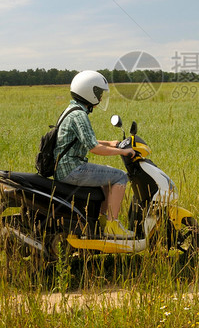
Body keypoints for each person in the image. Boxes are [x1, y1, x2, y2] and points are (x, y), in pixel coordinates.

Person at [53, 70, 136, 238]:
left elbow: (88, 141)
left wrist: (110, 143)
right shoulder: (79, 115)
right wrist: (123, 151)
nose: (100, 97)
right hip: (72, 169)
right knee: (119, 176)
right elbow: (94, 148)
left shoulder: (73, 110)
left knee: (107, 175)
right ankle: (112, 225)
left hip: (65, 168)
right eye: (98, 93)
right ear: (88, 92)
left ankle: (102, 222)